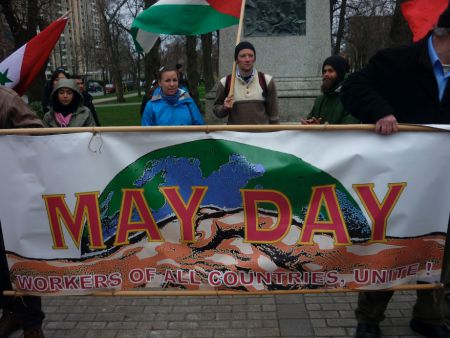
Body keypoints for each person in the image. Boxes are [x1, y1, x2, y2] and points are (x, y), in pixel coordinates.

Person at [341, 5, 450, 338]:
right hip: (398, 180)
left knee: (442, 250)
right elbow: (353, 89)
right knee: (390, 246)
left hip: (444, 183)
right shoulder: (395, 61)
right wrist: (381, 111)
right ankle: (369, 318)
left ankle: (429, 316)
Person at [0, 86, 45, 338]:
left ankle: (32, 324)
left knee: (21, 259)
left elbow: (36, 131)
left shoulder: (6, 98)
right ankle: (10, 311)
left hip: (9, 197)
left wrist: (7, 142)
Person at [213, 41, 279, 124]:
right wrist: (224, 108)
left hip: (262, 135)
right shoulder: (225, 82)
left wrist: (275, 134)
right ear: (236, 60)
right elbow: (217, 111)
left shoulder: (267, 80)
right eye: (243, 56)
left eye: (251, 56)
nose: (247, 59)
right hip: (235, 135)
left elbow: (274, 115)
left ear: (254, 59)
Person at [301, 55, 359, 125]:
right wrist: (311, 125)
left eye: (330, 71)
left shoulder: (352, 98)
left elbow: (351, 130)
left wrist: (326, 131)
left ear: (340, 73)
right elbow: (311, 122)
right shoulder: (319, 100)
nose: (326, 74)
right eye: (324, 71)